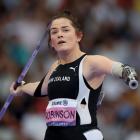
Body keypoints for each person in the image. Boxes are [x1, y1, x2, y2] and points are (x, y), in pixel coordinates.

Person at [10, 11, 138, 140]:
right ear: (51, 43)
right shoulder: (55, 66)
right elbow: (42, 88)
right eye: (54, 32)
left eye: (65, 30)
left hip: (81, 135)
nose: (59, 34)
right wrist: (22, 87)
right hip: (53, 136)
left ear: (78, 36)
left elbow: (118, 68)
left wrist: (127, 73)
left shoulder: (91, 62)